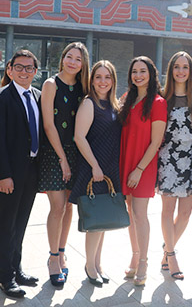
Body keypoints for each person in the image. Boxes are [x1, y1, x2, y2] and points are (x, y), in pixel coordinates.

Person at [0, 50, 41, 298]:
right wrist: (3, 174)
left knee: (21, 224)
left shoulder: (39, 96)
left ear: (35, 71)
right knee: (6, 224)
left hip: (32, 171)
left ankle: (17, 270)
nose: (24, 72)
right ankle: (5, 277)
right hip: (9, 174)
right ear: (9, 70)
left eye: (29, 68)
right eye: (19, 67)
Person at [39, 42, 89, 286]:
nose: (72, 62)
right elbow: (49, 124)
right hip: (54, 152)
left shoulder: (83, 87)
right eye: (69, 57)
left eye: (78, 59)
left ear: (83, 64)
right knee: (57, 207)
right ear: (63, 59)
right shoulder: (50, 84)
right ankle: (52, 257)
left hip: (76, 151)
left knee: (69, 206)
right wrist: (62, 158)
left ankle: (62, 251)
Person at [70, 60, 122, 288]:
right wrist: (95, 166)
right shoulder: (89, 103)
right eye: (98, 77)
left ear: (113, 80)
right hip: (95, 169)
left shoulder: (113, 104)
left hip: (109, 168)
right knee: (96, 222)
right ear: (92, 80)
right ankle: (90, 266)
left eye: (107, 77)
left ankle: (98, 265)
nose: (103, 81)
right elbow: (79, 137)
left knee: (104, 220)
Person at [119, 56, 167, 286]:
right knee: (130, 213)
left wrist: (138, 169)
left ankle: (144, 261)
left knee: (140, 214)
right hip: (125, 161)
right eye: (134, 71)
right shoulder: (126, 99)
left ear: (151, 74)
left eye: (143, 71)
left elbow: (156, 141)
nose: (138, 75)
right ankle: (134, 255)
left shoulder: (158, 102)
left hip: (143, 166)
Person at [157, 51, 192, 281]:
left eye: (185, 67)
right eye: (177, 67)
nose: (181, 71)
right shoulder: (163, 98)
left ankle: (166, 249)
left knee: (185, 213)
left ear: (191, 71)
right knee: (168, 210)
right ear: (171, 70)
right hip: (168, 160)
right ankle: (171, 255)